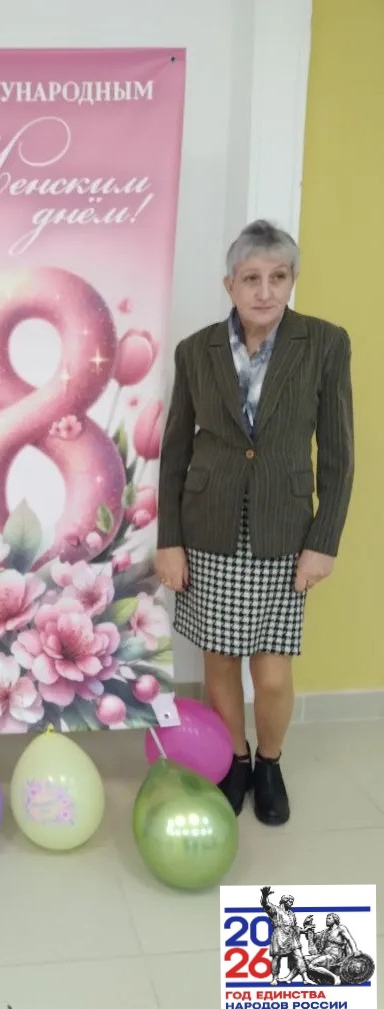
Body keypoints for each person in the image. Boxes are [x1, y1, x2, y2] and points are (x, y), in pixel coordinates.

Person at [157, 221, 354, 826]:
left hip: (282, 531)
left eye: (277, 277)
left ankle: (270, 762)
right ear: (230, 285)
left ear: (292, 280)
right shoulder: (196, 350)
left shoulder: (324, 343)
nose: (264, 291)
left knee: (270, 672)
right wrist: (170, 540)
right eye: (251, 278)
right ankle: (235, 760)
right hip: (210, 527)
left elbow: (339, 452)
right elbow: (175, 451)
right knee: (219, 661)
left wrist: (323, 541)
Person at [260, 887, 311, 985]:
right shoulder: (275, 910)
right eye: (290, 901)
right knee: (277, 957)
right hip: (279, 936)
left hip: (292, 937)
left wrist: (304, 930)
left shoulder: (291, 914)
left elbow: (294, 927)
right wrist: (265, 895)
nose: (291, 903)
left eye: (292, 901)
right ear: (284, 901)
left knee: (299, 956)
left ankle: (305, 978)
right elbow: (265, 904)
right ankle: (275, 978)